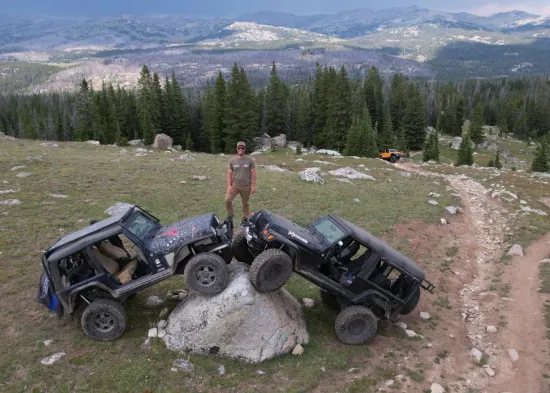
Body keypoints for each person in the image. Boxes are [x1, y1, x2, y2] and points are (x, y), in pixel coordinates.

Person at [225, 141, 256, 227]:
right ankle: (230, 215)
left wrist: (253, 185)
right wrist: (229, 186)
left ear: (245, 149)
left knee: (245, 203)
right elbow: (229, 173)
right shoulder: (232, 160)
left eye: (242, 148)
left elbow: (253, 173)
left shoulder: (250, 160)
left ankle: (244, 218)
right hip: (235, 185)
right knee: (227, 200)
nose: (240, 149)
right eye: (239, 148)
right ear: (237, 149)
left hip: (246, 186)